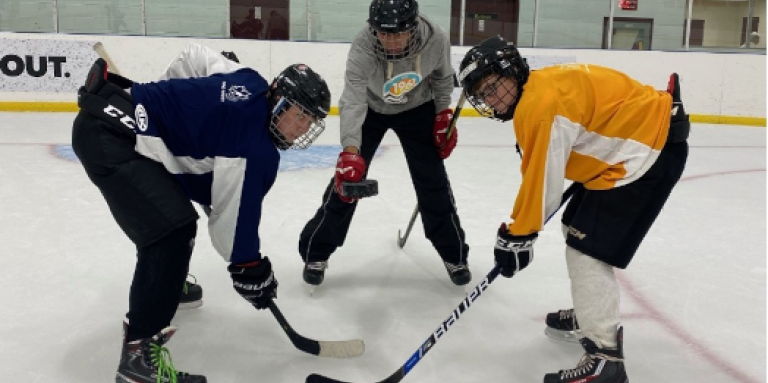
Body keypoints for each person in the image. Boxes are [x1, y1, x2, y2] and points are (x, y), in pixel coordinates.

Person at [72, 44, 330, 383]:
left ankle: (166, 284)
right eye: (298, 114)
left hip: (111, 116)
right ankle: (138, 363)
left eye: (309, 121)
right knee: (170, 233)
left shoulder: (248, 80)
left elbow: (193, 57)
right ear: (279, 100)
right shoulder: (255, 149)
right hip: (112, 141)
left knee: (164, 218)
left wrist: (169, 102)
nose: (300, 128)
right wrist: (251, 269)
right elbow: (232, 230)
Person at [457, 36, 689, 383]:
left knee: (586, 250)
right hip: (637, 137)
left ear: (514, 72)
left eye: (495, 86)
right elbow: (544, 173)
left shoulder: (539, 106)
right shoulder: (536, 90)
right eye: (484, 95)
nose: (492, 99)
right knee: (575, 226)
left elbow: (542, 183)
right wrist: (520, 232)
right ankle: (591, 312)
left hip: (646, 152)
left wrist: (517, 235)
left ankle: (604, 357)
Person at [298, 0, 471, 287]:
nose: (390, 41)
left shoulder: (436, 39)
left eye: (398, 33)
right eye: (383, 33)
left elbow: (442, 80)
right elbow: (353, 97)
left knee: (433, 183)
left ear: (412, 27)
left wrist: (443, 116)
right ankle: (316, 252)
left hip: (418, 108)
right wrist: (350, 152)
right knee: (346, 182)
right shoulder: (363, 45)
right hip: (371, 109)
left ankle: (455, 255)